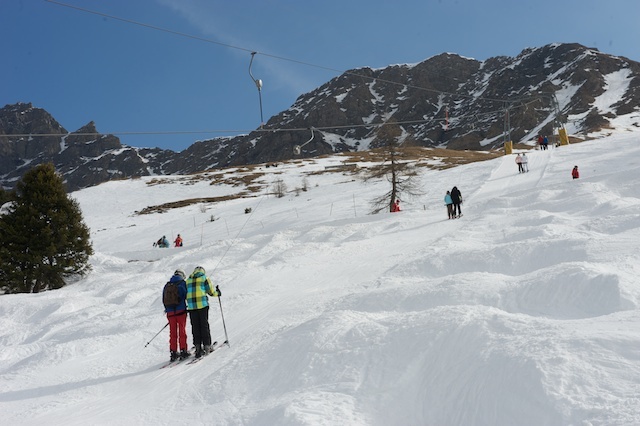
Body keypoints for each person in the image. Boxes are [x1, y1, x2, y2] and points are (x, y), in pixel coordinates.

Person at [186, 266, 221, 358]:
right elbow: (210, 291)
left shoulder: (188, 280)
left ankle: (198, 347)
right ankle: (207, 346)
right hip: (202, 305)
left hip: (191, 307)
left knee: (195, 326)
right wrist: (217, 293)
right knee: (204, 325)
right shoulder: (204, 278)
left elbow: (186, 293)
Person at [163, 269, 190, 362]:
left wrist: (168, 309)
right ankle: (183, 350)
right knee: (182, 331)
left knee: (172, 333)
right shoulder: (182, 283)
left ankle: (173, 352)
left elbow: (164, 298)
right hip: (181, 311)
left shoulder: (167, 285)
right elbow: (186, 295)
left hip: (170, 313)